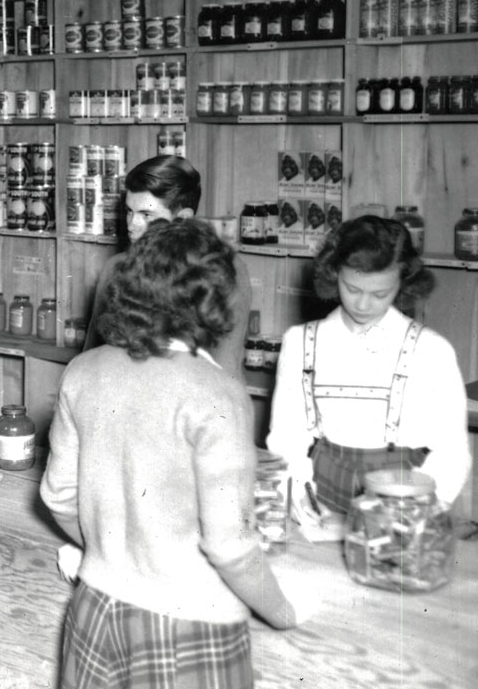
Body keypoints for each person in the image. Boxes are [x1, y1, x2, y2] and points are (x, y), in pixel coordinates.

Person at [42, 219, 309, 689]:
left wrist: (111, 553)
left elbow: (59, 496)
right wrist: (283, 612)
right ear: (212, 301)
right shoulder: (218, 392)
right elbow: (230, 547)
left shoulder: (83, 371)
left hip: (95, 609)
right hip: (190, 626)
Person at [266, 215, 471, 516]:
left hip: (402, 496)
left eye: (379, 294)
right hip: (322, 496)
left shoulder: (431, 350)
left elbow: (453, 451)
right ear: (334, 273)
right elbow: (287, 438)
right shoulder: (300, 342)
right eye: (352, 288)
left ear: (404, 283)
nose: (362, 305)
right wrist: (298, 500)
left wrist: (416, 511)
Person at [82, 154, 252, 378]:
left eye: (146, 214)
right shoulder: (115, 267)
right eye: (129, 211)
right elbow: (91, 359)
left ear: (182, 218)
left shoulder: (223, 271)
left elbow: (225, 367)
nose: (132, 224)